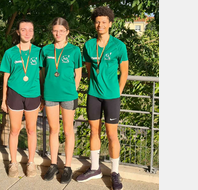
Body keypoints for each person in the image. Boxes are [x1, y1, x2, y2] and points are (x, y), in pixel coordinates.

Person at [76, 6, 129, 190]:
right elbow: (90, 68)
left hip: (112, 97)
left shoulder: (119, 46)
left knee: (112, 134)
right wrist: (96, 84)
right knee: (94, 131)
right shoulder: (89, 45)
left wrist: (118, 91)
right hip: (94, 95)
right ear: (94, 23)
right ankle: (95, 168)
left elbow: (124, 72)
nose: (100, 25)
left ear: (110, 24)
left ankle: (115, 172)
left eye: (104, 22)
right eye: (98, 22)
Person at [39, 17, 82, 184]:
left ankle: (68, 166)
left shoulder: (74, 50)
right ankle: (54, 164)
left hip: (68, 95)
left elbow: (78, 73)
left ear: (67, 32)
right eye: (55, 31)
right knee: (53, 129)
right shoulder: (46, 50)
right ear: (52, 32)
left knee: (68, 130)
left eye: (62, 31)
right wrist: (43, 92)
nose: (58, 33)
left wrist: (74, 90)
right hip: (50, 95)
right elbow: (42, 73)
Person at [0, 18, 43, 178]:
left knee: (31, 130)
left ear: (33, 32)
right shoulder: (10, 53)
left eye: (30, 30)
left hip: (33, 95)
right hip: (15, 94)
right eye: (23, 29)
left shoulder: (39, 52)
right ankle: (13, 163)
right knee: (14, 130)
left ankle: (31, 163)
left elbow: (42, 75)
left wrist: (43, 97)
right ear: (18, 32)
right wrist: (4, 99)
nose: (27, 33)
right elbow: (6, 77)